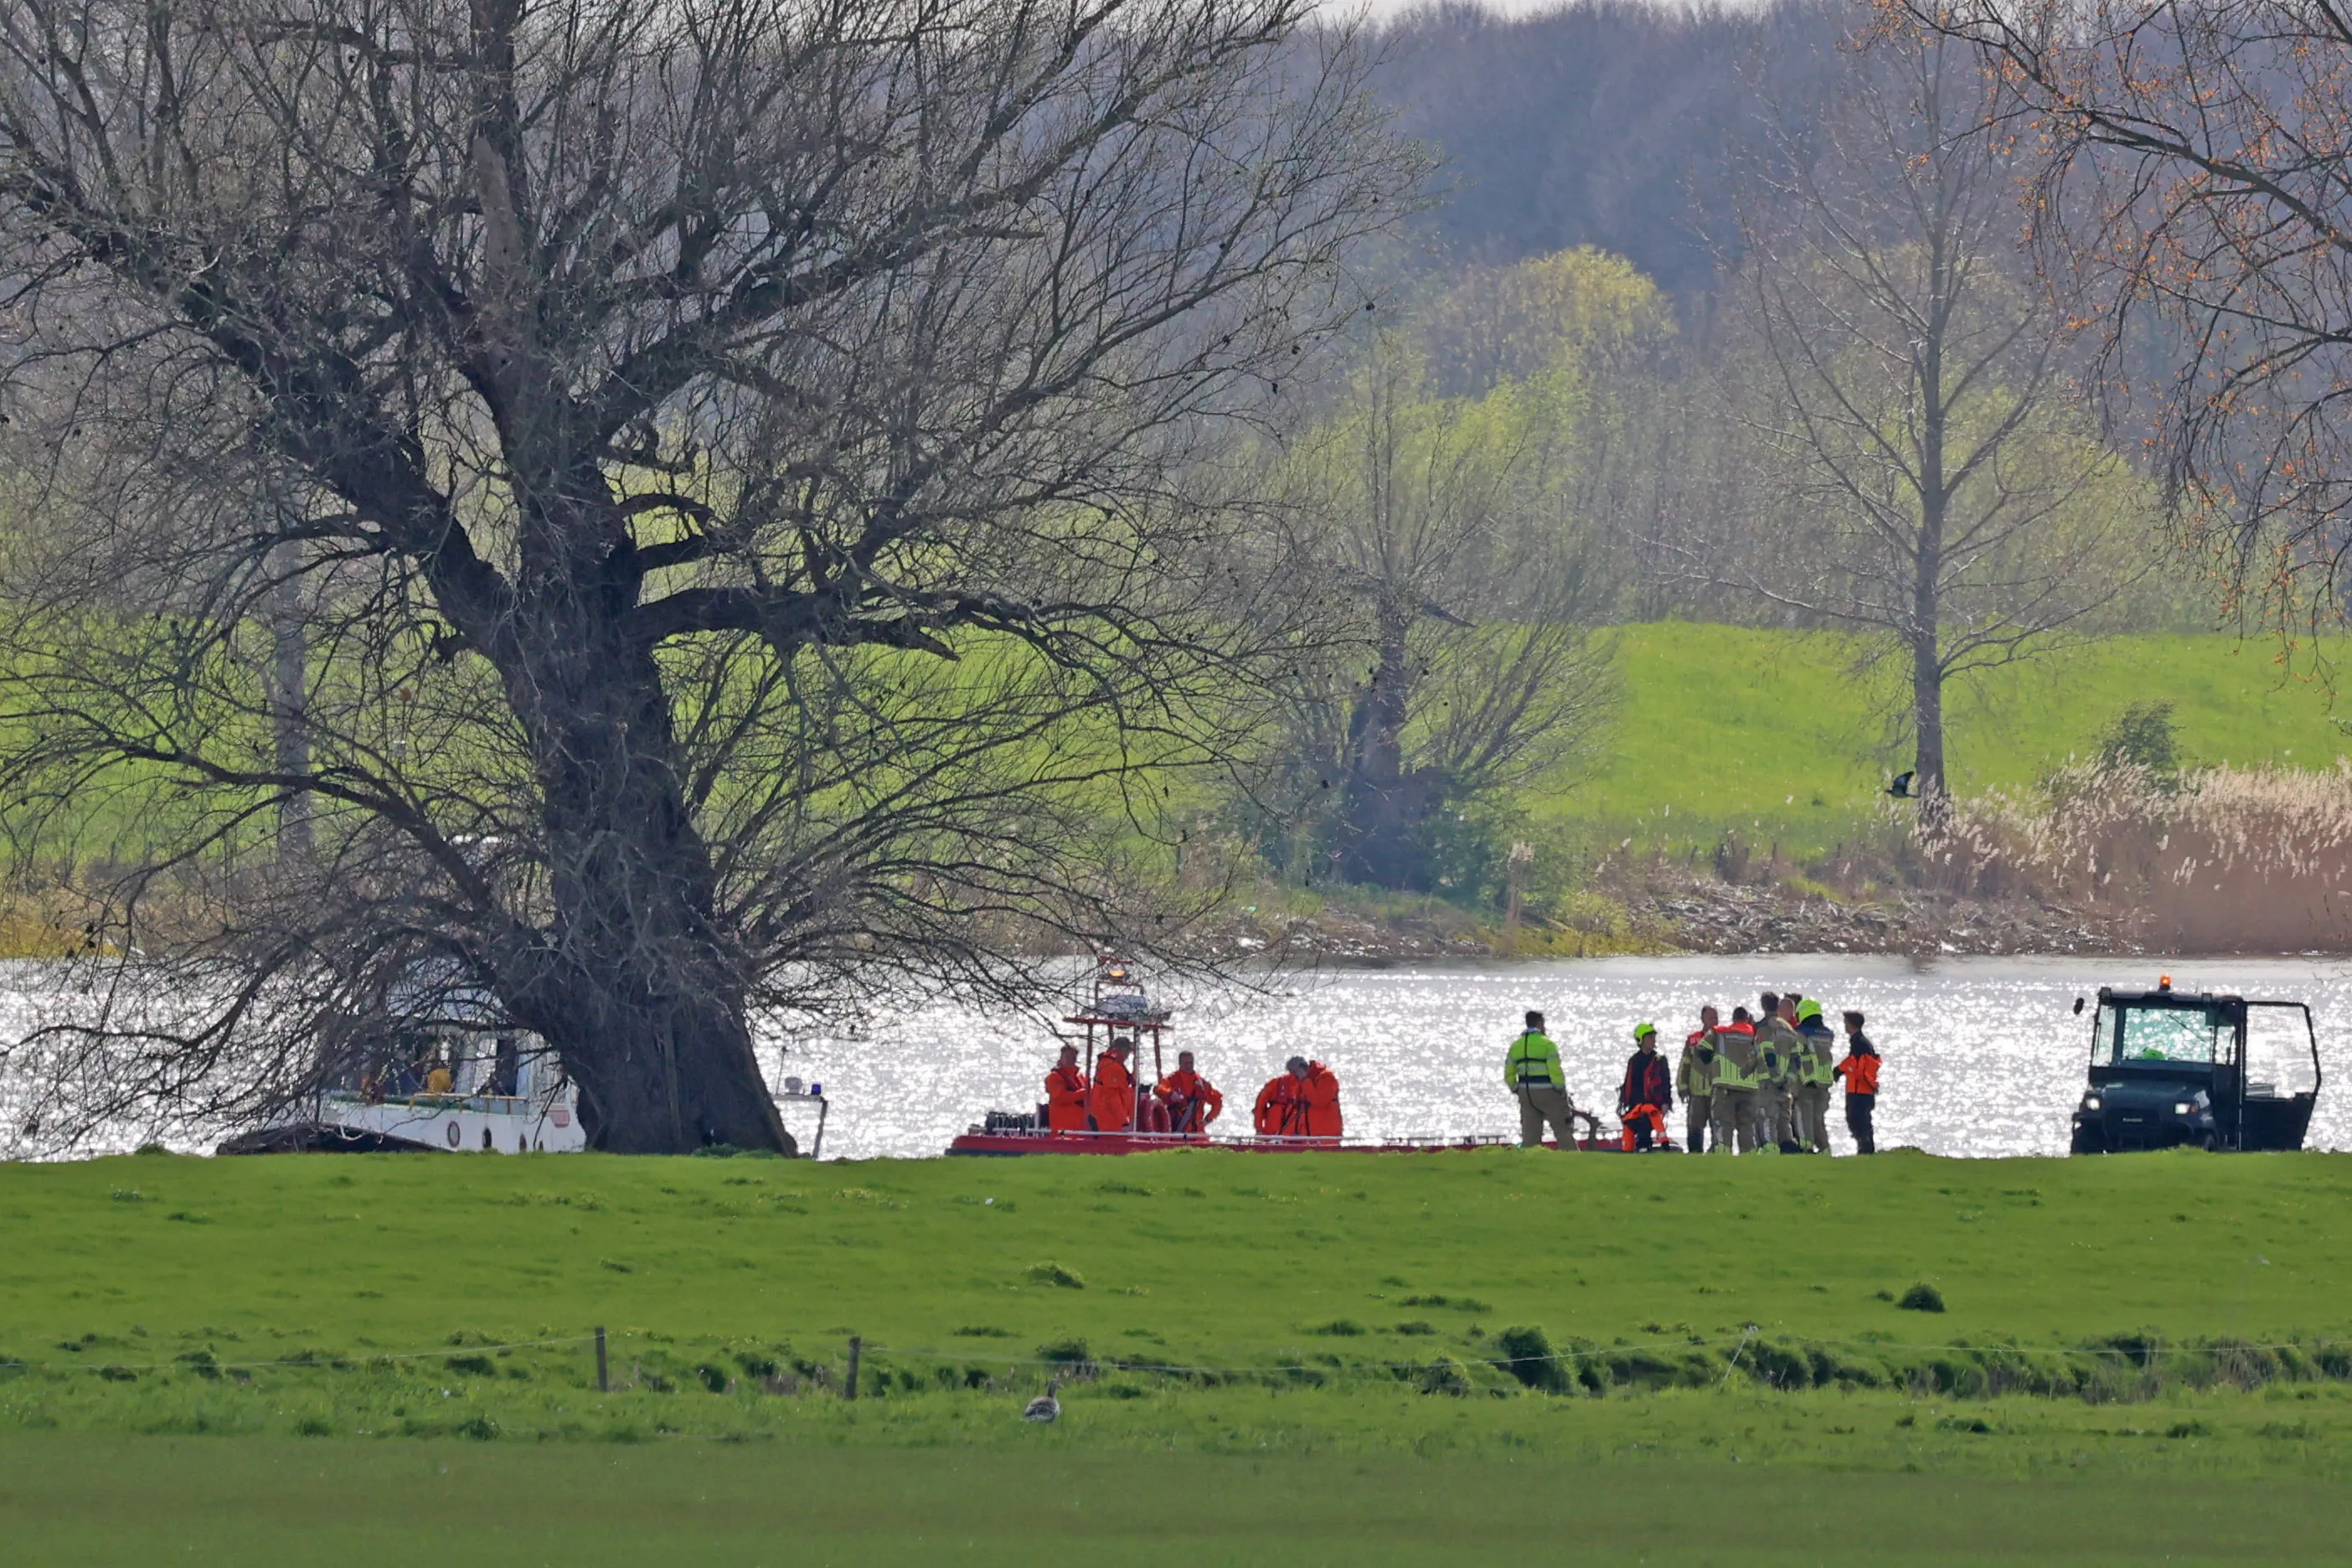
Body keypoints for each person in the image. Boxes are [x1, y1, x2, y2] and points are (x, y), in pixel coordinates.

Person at [1504, 1010, 1576, 1149]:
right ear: (1540, 1023)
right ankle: (1573, 1159)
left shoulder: (1516, 1046)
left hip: (1526, 1093)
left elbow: (1509, 1073)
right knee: (1563, 1130)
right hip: (1547, 1092)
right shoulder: (1547, 1044)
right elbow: (1555, 1070)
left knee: (1530, 1135)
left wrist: (1515, 1088)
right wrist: (1560, 1089)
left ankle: (1530, 1162)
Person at [1707, 1006, 1761, 1154]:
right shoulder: (1755, 1033)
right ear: (1747, 1019)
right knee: (1747, 1125)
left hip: (1725, 1086)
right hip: (1749, 1087)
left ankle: (1723, 1153)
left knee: (1724, 1123)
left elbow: (1702, 1049)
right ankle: (1748, 1154)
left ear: (1733, 1018)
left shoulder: (1719, 1032)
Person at [1754, 993, 1802, 1153]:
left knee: (1768, 1119)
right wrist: (1787, 1081)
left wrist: (1776, 1079)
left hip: (1768, 1082)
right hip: (1786, 1086)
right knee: (1784, 1121)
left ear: (1763, 1005)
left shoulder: (1765, 1028)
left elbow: (1769, 1056)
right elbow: (1796, 1060)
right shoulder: (1789, 1029)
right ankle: (1789, 1151)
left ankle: (1770, 1150)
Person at [1617, 1022, 1672, 1151]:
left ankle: (1645, 1148)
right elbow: (1628, 1083)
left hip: (1654, 1105)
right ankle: (1630, 1150)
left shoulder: (1660, 1060)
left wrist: (1666, 1102)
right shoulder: (1634, 1061)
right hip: (1636, 1105)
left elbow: (1666, 1083)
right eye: (1649, 1038)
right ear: (1641, 1040)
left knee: (1645, 1125)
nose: (1653, 1040)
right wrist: (1622, 1103)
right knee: (1630, 1125)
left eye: (1653, 1037)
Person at [1792, 999, 1837, 1153]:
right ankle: (1825, 1148)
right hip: (1824, 1082)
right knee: (1818, 1119)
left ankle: (1807, 1148)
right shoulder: (1827, 1034)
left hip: (1807, 1082)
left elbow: (1795, 1055)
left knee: (1804, 1116)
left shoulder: (1801, 1033)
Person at [1834, 1011, 1881, 1154]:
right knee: (1862, 1120)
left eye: (1845, 1023)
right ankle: (1865, 1147)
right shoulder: (1863, 1042)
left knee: (1857, 1119)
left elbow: (1855, 1066)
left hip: (1859, 1090)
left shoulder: (1858, 1043)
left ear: (1850, 1024)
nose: (1844, 1026)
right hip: (1862, 1090)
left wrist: (1838, 1071)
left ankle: (1865, 1147)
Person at [1677, 1007, 1719, 1153]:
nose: (1714, 1021)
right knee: (1694, 1127)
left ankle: (1716, 1154)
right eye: (1711, 1018)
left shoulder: (1723, 1038)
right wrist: (1682, 1087)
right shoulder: (1693, 1039)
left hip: (1716, 1092)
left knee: (1719, 1128)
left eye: (1716, 1018)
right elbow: (1685, 1064)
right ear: (1703, 1020)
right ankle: (1695, 1154)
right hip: (1697, 1093)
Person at [1154, 1050, 1224, 1132]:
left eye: (1191, 1063)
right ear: (1180, 1064)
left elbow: (1217, 1101)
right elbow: (1159, 1089)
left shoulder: (1203, 1084)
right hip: (1176, 1131)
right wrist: (1170, 1094)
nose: (1189, 1066)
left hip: (1197, 1133)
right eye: (1186, 1063)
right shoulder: (1172, 1079)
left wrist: (1208, 1119)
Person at [1090, 1037, 1138, 1132]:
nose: (1128, 1055)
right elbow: (1112, 1097)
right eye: (1128, 1051)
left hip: (1110, 1119)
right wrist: (1124, 1121)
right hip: (1110, 1121)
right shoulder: (1112, 1067)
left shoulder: (1111, 1064)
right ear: (1123, 1049)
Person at [1044, 1044, 1091, 1132]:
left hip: (1081, 1129)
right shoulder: (1054, 1077)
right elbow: (1060, 1098)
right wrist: (1083, 1093)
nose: (1070, 1059)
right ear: (1061, 1057)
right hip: (1063, 1131)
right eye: (1067, 1056)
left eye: (1073, 1057)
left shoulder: (1081, 1077)